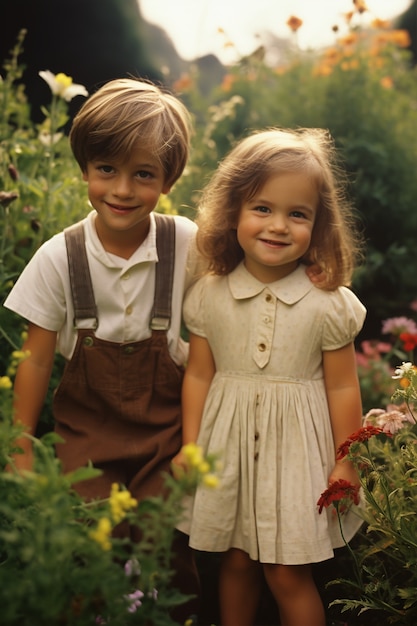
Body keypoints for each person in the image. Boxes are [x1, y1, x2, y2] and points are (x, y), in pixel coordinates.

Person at [4, 77, 202, 620]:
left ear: (168, 179)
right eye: (106, 170)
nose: (121, 189)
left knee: (170, 539)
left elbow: (235, 291)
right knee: (85, 539)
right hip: (87, 436)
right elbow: (38, 356)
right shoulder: (59, 256)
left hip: (169, 434)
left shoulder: (184, 242)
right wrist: (21, 444)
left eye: (143, 175)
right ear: (85, 168)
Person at [174, 128, 366, 626]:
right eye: (262, 208)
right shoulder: (209, 294)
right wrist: (190, 447)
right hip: (228, 450)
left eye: (297, 214)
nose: (278, 225)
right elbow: (198, 375)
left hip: (297, 456)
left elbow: (343, 386)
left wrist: (346, 462)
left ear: (317, 224)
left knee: (285, 571)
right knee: (234, 562)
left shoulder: (327, 305)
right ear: (233, 210)